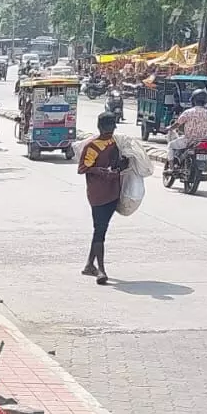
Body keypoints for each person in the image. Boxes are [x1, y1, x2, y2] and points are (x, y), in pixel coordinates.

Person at [78, 112, 130, 286]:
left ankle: (89, 265)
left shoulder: (115, 142)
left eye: (112, 127)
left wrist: (121, 165)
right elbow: (83, 167)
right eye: (108, 127)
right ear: (100, 127)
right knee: (100, 229)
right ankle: (101, 270)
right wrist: (100, 171)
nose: (110, 130)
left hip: (113, 191)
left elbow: (121, 163)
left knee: (101, 229)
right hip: (98, 193)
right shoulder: (92, 147)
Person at [167, 88, 207, 168]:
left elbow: (178, 123)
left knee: (170, 145)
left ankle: (171, 167)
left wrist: (169, 128)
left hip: (189, 141)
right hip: (205, 142)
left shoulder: (188, 112)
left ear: (193, 100)